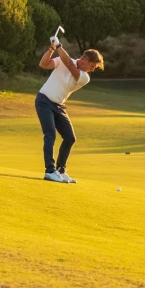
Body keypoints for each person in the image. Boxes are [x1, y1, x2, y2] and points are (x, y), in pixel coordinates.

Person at [35, 40, 104, 184]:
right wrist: (52, 48)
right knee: (50, 135)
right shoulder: (62, 60)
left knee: (70, 138)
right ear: (85, 60)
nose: (92, 70)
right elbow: (43, 64)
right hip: (44, 101)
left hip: (59, 106)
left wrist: (59, 46)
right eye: (92, 66)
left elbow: (71, 66)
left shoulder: (85, 77)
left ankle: (60, 170)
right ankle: (50, 171)